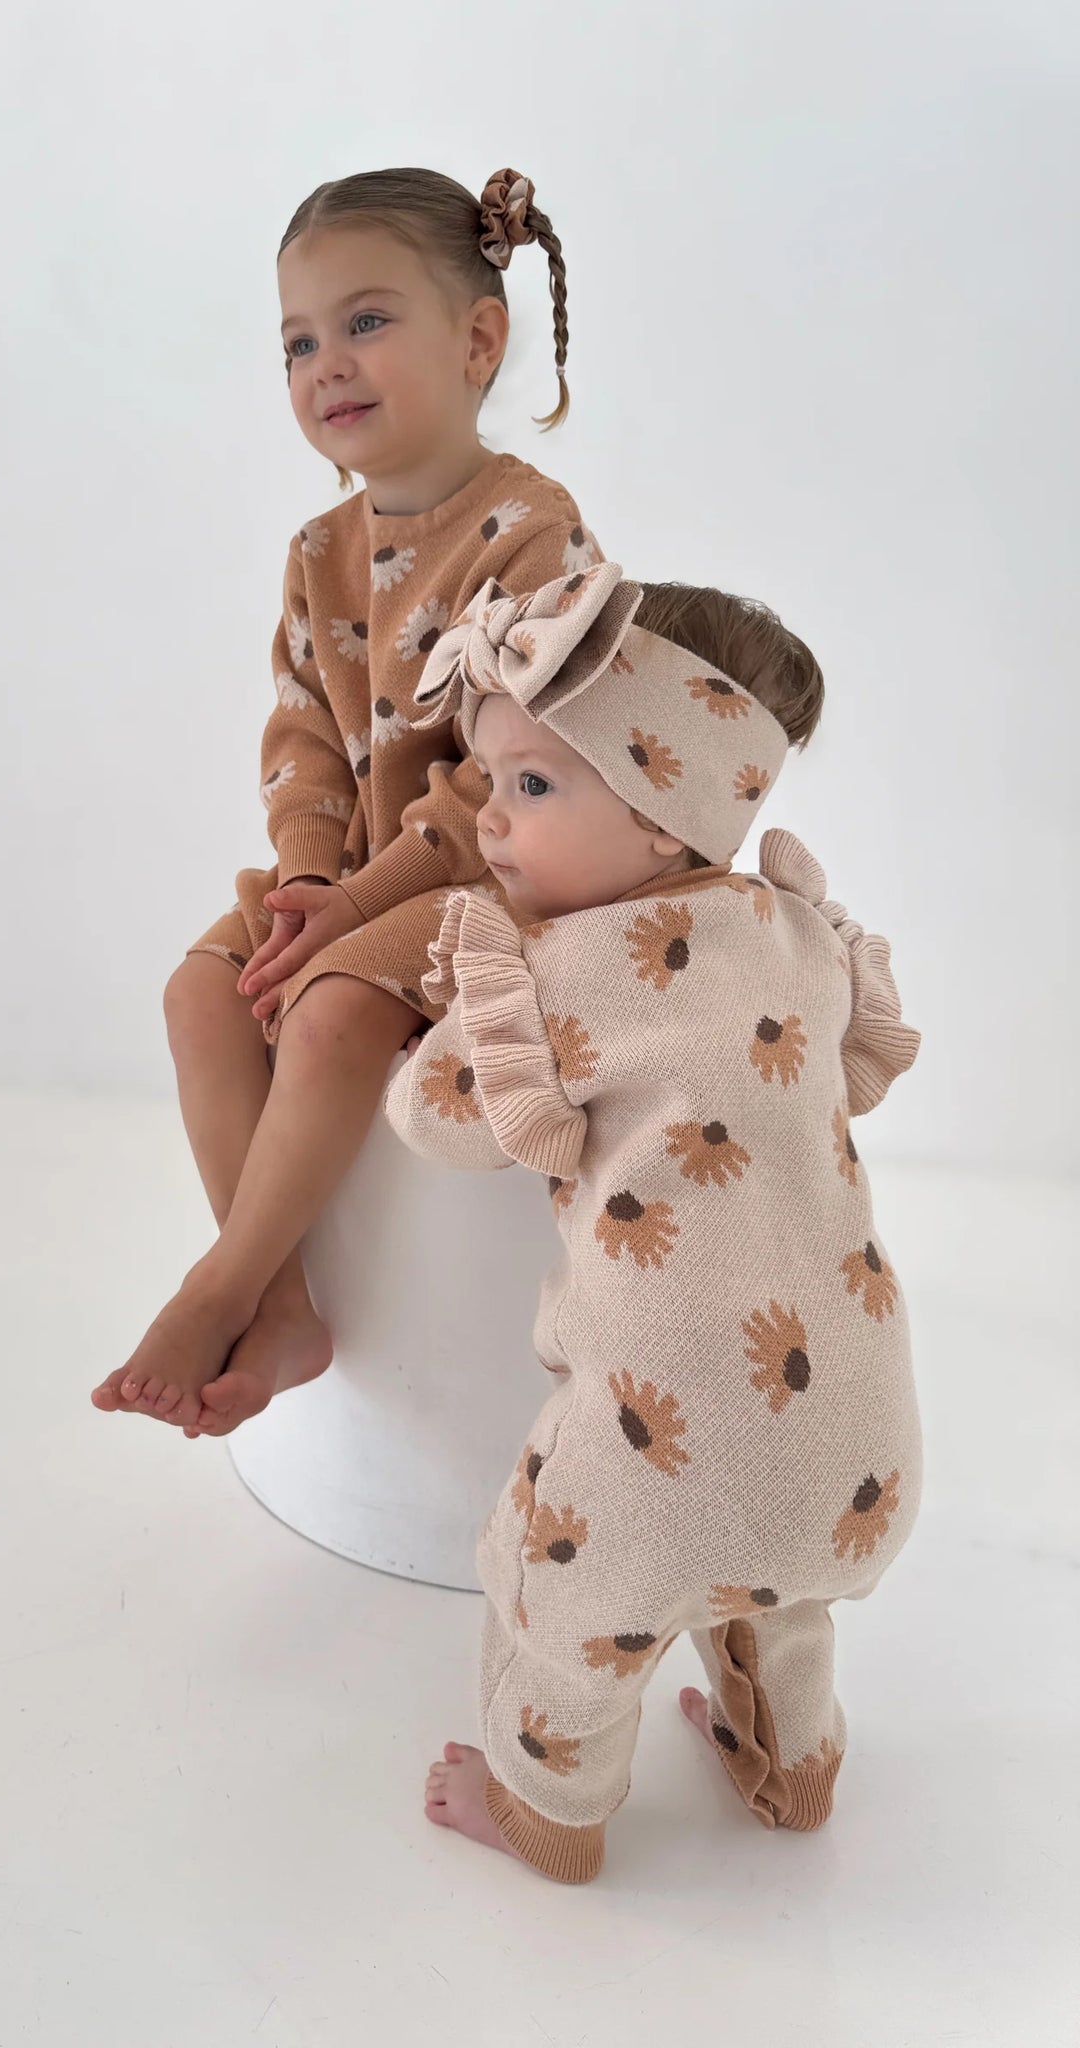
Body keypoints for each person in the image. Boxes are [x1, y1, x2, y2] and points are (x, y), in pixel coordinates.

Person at [385, 562, 921, 1882]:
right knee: (784, 1598)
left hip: (657, 1443)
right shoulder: (800, 937)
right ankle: (795, 1765)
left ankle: (546, 1812)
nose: (489, 819)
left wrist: (453, 1011)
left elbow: (435, 1116)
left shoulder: (564, 972)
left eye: (532, 784)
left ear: (669, 817)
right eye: (492, 776)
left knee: (559, 1603)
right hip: (861, 1437)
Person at [92, 166, 601, 1435]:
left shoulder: (532, 533)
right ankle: (281, 1302)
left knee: (326, 1011)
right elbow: (305, 733)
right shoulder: (319, 553)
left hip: (498, 871)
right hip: (357, 878)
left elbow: (509, 768)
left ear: (477, 340)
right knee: (202, 992)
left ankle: (217, 1285)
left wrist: (361, 902)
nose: (328, 364)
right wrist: (312, 876)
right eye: (298, 343)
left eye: (366, 321)